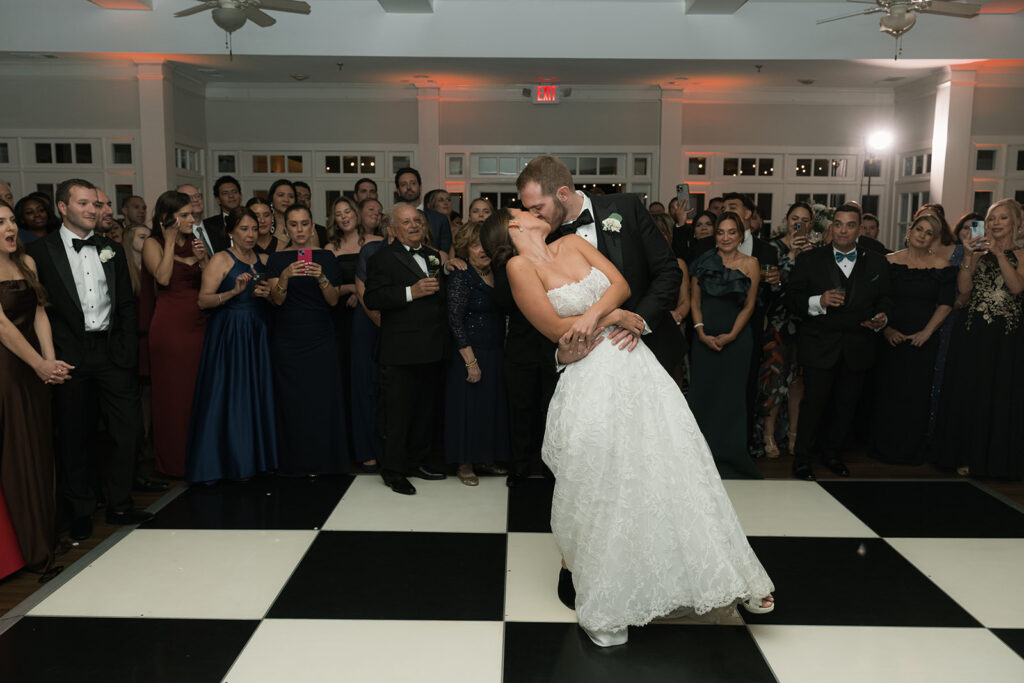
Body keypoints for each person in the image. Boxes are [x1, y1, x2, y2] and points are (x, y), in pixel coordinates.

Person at [480, 208, 774, 648]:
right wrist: (614, 318)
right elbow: (557, 329)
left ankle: (720, 573)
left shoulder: (572, 244)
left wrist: (606, 315)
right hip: (590, 378)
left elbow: (621, 285)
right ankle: (610, 597)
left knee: (672, 468)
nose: (533, 211)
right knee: (602, 483)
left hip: (636, 367)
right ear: (513, 227)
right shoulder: (519, 267)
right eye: (522, 210)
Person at [26, 179, 152, 541]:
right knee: (75, 435)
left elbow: (126, 303)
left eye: (95, 205)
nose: (93, 211)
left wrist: (126, 349)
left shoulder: (110, 248)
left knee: (128, 431)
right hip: (70, 357)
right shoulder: (40, 251)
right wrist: (52, 356)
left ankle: (120, 503)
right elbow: (38, 308)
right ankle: (81, 510)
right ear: (63, 208)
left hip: (112, 354)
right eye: (84, 204)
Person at [516, 155, 683, 372]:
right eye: (528, 209)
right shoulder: (542, 242)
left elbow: (668, 271)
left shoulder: (626, 207)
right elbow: (539, 319)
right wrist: (559, 355)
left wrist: (640, 320)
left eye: (538, 207)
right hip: (586, 367)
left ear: (563, 193)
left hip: (651, 349)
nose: (533, 216)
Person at [785, 204, 891, 480]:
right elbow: (792, 300)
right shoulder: (809, 260)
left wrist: (882, 317)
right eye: (839, 224)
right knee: (814, 404)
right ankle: (802, 459)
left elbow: (886, 298)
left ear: (859, 229)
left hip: (858, 346)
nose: (843, 230)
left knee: (846, 405)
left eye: (850, 225)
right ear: (831, 227)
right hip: (820, 344)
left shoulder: (878, 261)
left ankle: (832, 454)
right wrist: (818, 301)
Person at [932, 199, 1024, 479]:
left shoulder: (1021, 254)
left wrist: (998, 254)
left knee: (999, 393)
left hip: (1006, 337)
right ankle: (965, 455)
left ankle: (995, 460)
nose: (995, 223)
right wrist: (970, 257)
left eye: (1003, 218)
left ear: (1016, 223)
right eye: (992, 218)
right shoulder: (975, 252)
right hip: (972, 332)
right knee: (970, 392)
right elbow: (963, 291)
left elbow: (1017, 287)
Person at [0, 199, 68, 575]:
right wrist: (38, 363)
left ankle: (43, 535)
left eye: (11, 220)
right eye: (0, 223)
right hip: (7, 371)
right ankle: (29, 548)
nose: (10, 227)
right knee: (18, 455)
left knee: (40, 451)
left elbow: (40, 310)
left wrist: (51, 360)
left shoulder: (26, 263)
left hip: (33, 367)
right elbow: (3, 327)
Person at [364, 204, 451, 495]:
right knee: (397, 415)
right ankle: (393, 471)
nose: (414, 225)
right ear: (392, 229)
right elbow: (373, 297)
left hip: (432, 347)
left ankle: (417, 462)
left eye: (417, 221)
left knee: (424, 411)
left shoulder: (433, 255)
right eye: (406, 222)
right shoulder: (381, 259)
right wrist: (410, 292)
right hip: (399, 352)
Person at [186, 207, 277, 483]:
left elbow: (273, 298)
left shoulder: (264, 259)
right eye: (244, 229)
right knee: (232, 396)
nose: (250, 234)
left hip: (259, 332)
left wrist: (269, 295)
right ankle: (229, 461)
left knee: (256, 394)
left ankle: (258, 459)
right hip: (231, 334)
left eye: (253, 228)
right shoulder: (220, 260)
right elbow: (203, 301)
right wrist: (233, 292)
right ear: (230, 232)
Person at [265, 204, 349, 476]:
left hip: (320, 337)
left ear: (312, 226)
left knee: (322, 399)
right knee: (292, 401)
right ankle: (294, 463)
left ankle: (325, 461)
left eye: (304, 224)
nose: (299, 229)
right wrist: (286, 277)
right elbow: (277, 300)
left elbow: (334, 300)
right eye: (293, 224)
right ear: (286, 228)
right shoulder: (276, 260)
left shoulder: (326, 257)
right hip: (289, 338)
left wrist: (322, 277)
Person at [869, 214, 954, 465]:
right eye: (919, 229)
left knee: (915, 396)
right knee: (886, 393)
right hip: (889, 338)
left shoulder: (943, 266)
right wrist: (886, 330)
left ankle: (911, 451)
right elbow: (875, 298)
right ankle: (881, 447)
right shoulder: (888, 261)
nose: (922, 235)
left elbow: (946, 303)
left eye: (929, 233)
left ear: (933, 239)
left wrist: (926, 333)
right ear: (910, 230)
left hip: (923, 340)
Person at [689, 212, 763, 479]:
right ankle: (700, 459)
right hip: (703, 340)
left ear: (741, 235)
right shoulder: (701, 262)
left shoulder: (752, 264)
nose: (726, 237)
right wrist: (700, 332)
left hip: (737, 341)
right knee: (703, 397)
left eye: (732, 232)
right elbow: (694, 303)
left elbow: (750, 305)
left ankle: (732, 458)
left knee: (731, 401)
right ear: (715, 236)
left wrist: (732, 335)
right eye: (721, 232)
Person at [142, 190, 208, 477]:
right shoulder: (152, 243)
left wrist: (203, 260)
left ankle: (201, 456)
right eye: (184, 215)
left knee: (198, 393)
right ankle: (174, 462)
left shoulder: (197, 240)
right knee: (173, 395)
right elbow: (163, 277)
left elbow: (211, 280)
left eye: (191, 214)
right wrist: (170, 241)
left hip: (200, 323)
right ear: (167, 218)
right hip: (170, 327)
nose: (191, 219)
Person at [444, 221, 509, 485]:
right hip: (469, 352)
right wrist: (471, 362)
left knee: (489, 408)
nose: (482, 250)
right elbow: (455, 321)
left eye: (485, 244)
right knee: (468, 409)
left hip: (495, 350)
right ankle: (465, 463)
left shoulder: (498, 271)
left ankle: (485, 458)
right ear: (465, 250)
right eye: (475, 245)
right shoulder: (461, 275)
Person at [324, 196, 383, 468]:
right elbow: (329, 289)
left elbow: (381, 283)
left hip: (368, 318)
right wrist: (353, 290)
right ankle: (352, 447)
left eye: (348, 211)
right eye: (338, 214)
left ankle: (377, 444)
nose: (344, 216)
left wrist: (360, 296)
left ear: (357, 214)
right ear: (333, 220)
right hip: (338, 320)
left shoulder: (374, 242)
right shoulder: (329, 248)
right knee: (346, 382)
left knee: (371, 382)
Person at [758, 202, 814, 456]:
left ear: (811, 224)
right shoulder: (772, 247)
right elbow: (773, 288)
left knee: (798, 384)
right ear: (786, 220)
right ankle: (768, 436)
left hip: (805, 325)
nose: (798, 223)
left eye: (804, 219)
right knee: (773, 380)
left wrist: (808, 255)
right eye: (794, 218)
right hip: (777, 324)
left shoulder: (815, 252)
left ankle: (793, 435)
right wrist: (791, 255)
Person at [394, 167, 452, 256]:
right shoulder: (392, 219)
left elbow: (444, 253)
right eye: (403, 184)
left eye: (413, 183)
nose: (409, 187)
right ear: (398, 191)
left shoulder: (440, 219)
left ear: (420, 187)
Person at [177, 184, 227, 255]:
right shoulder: (179, 235)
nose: (195, 200)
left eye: (198, 196)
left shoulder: (218, 229)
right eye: (189, 197)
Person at [203, 175, 243, 245]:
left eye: (234, 192)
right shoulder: (207, 225)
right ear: (218, 200)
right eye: (225, 193)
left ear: (241, 196)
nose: (231, 196)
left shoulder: (252, 220)